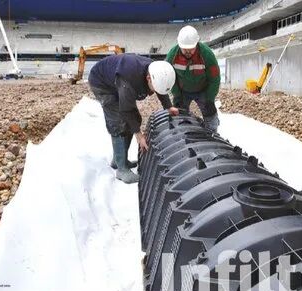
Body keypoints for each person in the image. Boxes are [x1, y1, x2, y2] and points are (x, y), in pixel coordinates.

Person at [88, 54, 179, 184]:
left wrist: (169, 107)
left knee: (134, 119)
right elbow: (126, 110)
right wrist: (139, 135)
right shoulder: (130, 77)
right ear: (148, 78)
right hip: (102, 84)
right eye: (153, 88)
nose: (153, 92)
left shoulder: (157, 71)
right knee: (119, 122)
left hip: (116, 80)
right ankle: (121, 169)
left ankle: (119, 160)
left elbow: (161, 89)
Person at [166, 25, 220, 132]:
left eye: (191, 49)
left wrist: (210, 99)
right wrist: (176, 95)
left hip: (203, 91)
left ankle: (212, 134)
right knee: (180, 116)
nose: (188, 52)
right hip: (182, 92)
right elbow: (170, 77)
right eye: (185, 49)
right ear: (179, 45)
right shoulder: (173, 55)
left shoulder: (207, 55)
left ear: (197, 44)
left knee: (210, 115)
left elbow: (214, 79)